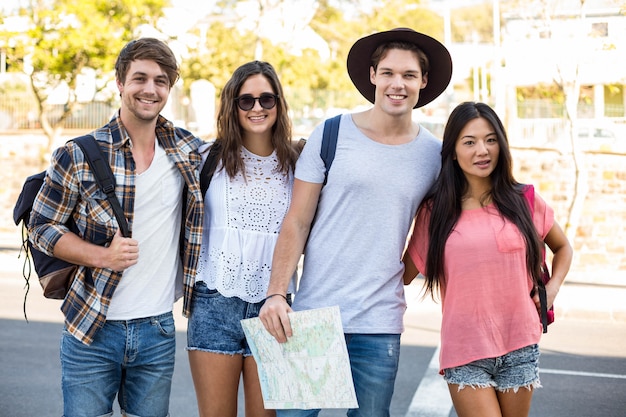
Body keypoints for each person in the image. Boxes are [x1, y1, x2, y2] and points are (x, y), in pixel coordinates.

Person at [259, 28, 453, 416]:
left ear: (423, 82)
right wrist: (277, 293)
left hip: (380, 322)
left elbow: (434, 228)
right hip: (312, 314)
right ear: (373, 76)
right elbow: (296, 220)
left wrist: (404, 273)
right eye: (388, 73)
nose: (397, 84)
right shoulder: (331, 133)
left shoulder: (434, 155)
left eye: (409, 75)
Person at [28, 38, 204, 417]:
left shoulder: (188, 151)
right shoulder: (78, 153)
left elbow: (249, 157)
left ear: (169, 89)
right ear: (120, 83)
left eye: (160, 80)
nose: (150, 89)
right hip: (92, 325)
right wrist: (103, 257)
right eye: (139, 78)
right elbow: (41, 226)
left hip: (158, 329)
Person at [402, 101, 573, 417]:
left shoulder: (524, 200)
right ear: (453, 151)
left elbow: (563, 248)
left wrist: (553, 289)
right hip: (464, 350)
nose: (482, 150)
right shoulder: (434, 212)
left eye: (490, 139)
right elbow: (402, 274)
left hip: (521, 343)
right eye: (469, 142)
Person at [187, 60, 297, 417]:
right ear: (232, 106)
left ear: (278, 103)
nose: (257, 108)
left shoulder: (300, 164)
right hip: (214, 302)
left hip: (275, 307)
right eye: (245, 100)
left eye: (266, 99)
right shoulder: (207, 158)